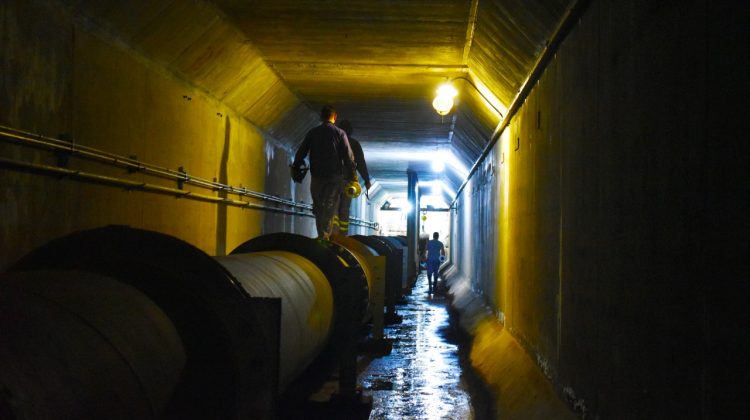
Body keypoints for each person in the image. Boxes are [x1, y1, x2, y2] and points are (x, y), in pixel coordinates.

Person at [292, 105, 356, 240]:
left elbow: (301, 151)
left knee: (318, 205)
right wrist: (353, 176)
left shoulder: (313, 132)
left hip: (317, 176)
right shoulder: (340, 133)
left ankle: (322, 235)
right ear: (335, 117)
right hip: (334, 177)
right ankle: (324, 236)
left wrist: (296, 165)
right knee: (330, 205)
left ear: (321, 117)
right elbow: (348, 157)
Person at [332, 119, 371, 235]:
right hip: (348, 182)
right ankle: (343, 236)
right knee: (344, 208)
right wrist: (367, 180)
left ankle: (333, 233)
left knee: (334, 207)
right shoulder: (354, 144)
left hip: (333, 180)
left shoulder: (333, 142)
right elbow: (361, 163)